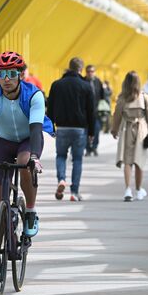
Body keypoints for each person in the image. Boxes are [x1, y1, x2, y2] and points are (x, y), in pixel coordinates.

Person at [0, 51, 51, 280]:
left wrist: (35, 157)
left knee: (25, 164)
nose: (6, 78)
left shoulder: (33, 95)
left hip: (27, 140)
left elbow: (35, 129)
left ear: (20, 75)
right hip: (3, 142)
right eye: (2, 74)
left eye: (12, 73)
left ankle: (31, 211)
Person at [48, 57, 95, 201]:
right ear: (81, 69)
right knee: (77, 160)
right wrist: (92, 132)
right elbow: (90, 111)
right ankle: (74, 192)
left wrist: (51, 127)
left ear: (69, 67)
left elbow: (50, 107)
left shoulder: (57, 85)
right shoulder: (86, 86)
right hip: (79, 130)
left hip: (61, 127)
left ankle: (61, 179)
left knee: (61, 156)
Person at [111, 71, 148, 202]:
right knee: (139, 161)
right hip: (141, 129)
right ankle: (139, 190)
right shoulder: (144, 97)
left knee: (127, 161)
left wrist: (114, 130)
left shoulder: (122, 98)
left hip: (126, 129)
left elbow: (117, 115)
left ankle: (127, 190)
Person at [84, 64, 104, 156]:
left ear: (94, 72)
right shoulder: (83, 81)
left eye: (92, 71)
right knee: (87, 130)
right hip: (85, 111)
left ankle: (94, 147)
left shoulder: (98, 82)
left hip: (96, 111)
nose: (90, 73)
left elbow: (102, 96)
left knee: (96, 129)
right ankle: (88, 148)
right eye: (88, 72)